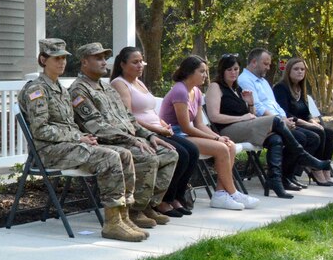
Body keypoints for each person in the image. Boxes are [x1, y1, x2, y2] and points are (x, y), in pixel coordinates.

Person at [18, 38, 146, 242]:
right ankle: (112, 224)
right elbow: (41, 130)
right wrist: (79, 137)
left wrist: (85, 138)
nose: (61, 62)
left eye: (63, 58)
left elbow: (69, 124)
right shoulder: (37, 89)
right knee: (110, 157)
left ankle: (123, 215)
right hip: (49, 152)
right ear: (43, 60)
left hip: (70, 146)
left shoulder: (60, 88)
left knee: (124, 153)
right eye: (56, 58)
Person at [69, 42, 179, 231]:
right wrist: (133, 140)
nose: (104, 62)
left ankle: (147, 205)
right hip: (107, 142)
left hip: (130, 139)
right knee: (147, 156)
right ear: (84, 62)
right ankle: (134, 210)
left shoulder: (107, 89)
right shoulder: (79, 91)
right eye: (98, 58)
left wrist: (149, 135)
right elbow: (97, 127)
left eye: (104, 58)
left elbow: (128, 117)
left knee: (169, 154)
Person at [205, 54, 330, 197]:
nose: (233, 73)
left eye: (236, 69)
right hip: (227, 130)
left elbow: (250, 114)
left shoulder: (237, 88)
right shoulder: (215, 87)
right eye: (229, 70)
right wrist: (241, 117)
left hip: (246, 127)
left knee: (275, 139)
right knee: (276, 121)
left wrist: (250, 103)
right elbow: (214, 116)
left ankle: (275, 183)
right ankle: (303, 155)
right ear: (222, 71)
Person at [109, 47, 198, 217]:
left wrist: (163, 124)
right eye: (135, 62)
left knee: (192, 151)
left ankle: (176, 197)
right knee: (180, 153)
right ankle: (163, 200)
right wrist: (156, 130)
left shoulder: (139, 82)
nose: (140, 65)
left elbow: (150, 111)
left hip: (158, 129)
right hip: (142, 132)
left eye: (141, 61)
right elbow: (128, 117)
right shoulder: (120, 84)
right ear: (122, 64)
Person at [158, 56, 249, 211]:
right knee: (221, 148)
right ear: (189, 72)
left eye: (205, 72)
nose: (205, 75)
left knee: (230, 145)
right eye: (202, 72)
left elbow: (199, 124)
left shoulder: (197, 92)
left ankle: (221, 194)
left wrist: (219, 137)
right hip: (176, 136)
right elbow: (186, 127)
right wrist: (215, 138)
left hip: (189, 135)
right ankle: (233, 192)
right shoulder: (180, 90)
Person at [237, 48, 330, 188]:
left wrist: (286, 119)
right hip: (263, 124)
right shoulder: (244, 80)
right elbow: (258, 108)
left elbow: (274, 105)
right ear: (254, 62)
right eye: (266, 64)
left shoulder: (263, 82)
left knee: (314, 136)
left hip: (278, 120)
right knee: (305, 138)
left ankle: (288, 176)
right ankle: (283, 177)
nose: (268, 67)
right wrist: (281, 121)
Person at [274, 56, 333, 185]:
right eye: (296, 69)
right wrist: (308, 124)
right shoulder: (281, 88)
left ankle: (324, 168)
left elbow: (306, 113)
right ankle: (315, 168)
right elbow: (285, 113)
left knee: (329, 132)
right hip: (291, 124)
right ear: (288, 71)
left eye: (302, 69)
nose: (300, 72)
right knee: (318, 133)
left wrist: (313, 122)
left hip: (303, 123)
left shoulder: (299, 88)